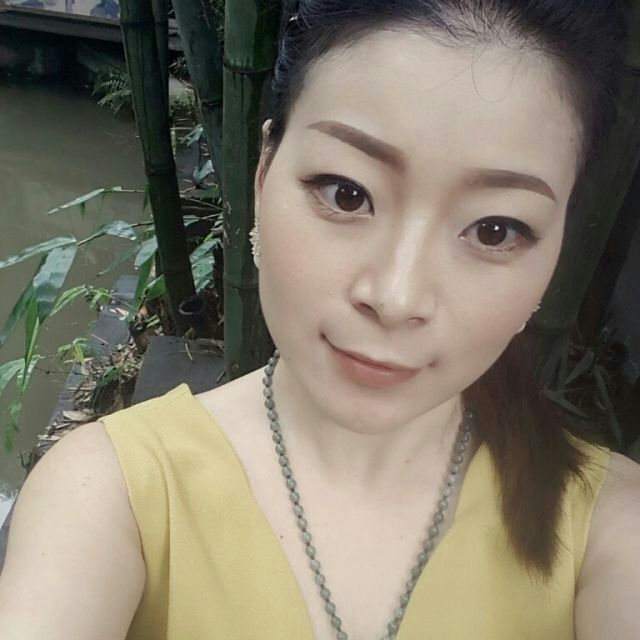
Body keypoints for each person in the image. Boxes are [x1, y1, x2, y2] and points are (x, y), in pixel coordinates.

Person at [1, 1, 639, 638]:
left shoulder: (611, 528)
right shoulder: (110, 495)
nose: (395, 297)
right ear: (263, 172)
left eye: (496, 230)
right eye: (346, 193)